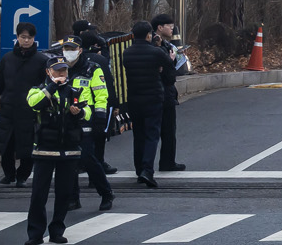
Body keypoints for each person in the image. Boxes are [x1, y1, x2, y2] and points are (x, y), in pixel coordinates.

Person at [25, 55, 86, 245]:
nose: (62, 73)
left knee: (64, 193)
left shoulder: (75, 91)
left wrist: (81, 112)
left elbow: (88, 111)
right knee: (38, 194)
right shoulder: (37, 90)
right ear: (48, 72)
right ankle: (35, 234)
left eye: (64, 70)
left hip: (69, 150)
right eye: (57, 70)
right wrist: (52, 87)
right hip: (45, 150)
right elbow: (34, 103)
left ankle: (57, 230)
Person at [57, 39, 116, 212]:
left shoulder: (92, 69)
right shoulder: (58, 69)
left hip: (86, 118)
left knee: (87, 158)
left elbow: (101, 95)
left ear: (80, 50)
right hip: (65, 119)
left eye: (72, 49)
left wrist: (100, 118)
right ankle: (73, 198)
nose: (69, 52)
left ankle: (106, 193)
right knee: (69, 160)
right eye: (66, 48)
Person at [117, 22, 178, 187]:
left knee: (139, 134)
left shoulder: (127, 53)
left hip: (134, 98)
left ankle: (139, 169)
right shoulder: (156, 52)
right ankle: (147, 170)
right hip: (153, 97)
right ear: (149, 35)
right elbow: (170, 75)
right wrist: (170, 61)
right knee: (152, 134)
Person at [0, 23, 44, 187]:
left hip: (29, 110)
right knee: (5, 145)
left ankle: (22, 176)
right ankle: (9, 174)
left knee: (27, 146)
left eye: (29, 38)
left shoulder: (40, 61)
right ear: (17, 37)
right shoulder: (8, 59)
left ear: (34, 39)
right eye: (23, 37)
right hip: (8, 109)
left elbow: (46, 86)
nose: (26, 41)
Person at [151, 14, 189, 171]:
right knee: (166, 129)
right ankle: (167, 162)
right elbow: (167, 72)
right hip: (162, 91)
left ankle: (153, 164)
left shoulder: (165, 44)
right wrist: (171, 60)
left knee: (156, 131)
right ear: (160, 27)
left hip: (157, 92)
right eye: (169, 26)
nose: (172, 29)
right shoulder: (157, 46)